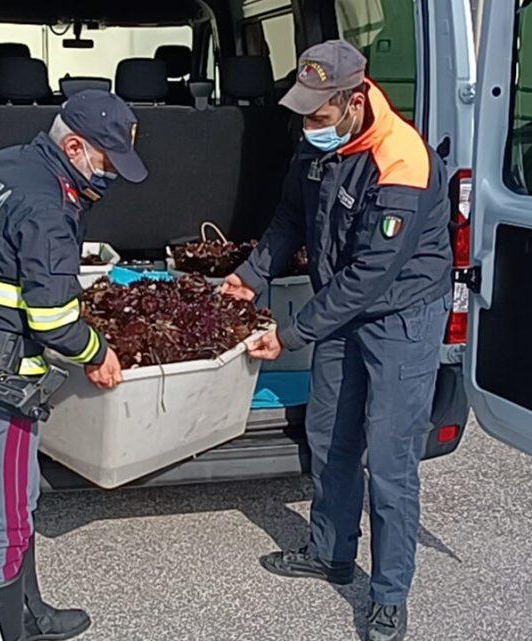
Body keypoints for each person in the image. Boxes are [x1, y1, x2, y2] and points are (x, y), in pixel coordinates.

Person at [222, 41, 451, 641]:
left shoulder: (402, 159)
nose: (308, 127)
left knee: (390, 457)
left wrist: (294, 331)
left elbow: (372, 273)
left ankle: (389, 593)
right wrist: (251, 275)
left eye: (319, 117)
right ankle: (330, 552)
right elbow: (289, 216)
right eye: (303, 114)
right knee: (328, 433)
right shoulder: (318, 141)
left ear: (354, 100)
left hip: (400, 315)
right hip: (342, 308)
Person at [0, 90, 141, 641]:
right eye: (107, 161)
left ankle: (30, 614)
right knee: (4, 528)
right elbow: (52, 322)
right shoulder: (49, 208)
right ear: (73, 145)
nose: (110, 175)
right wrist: (98, 352)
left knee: (23, 500)